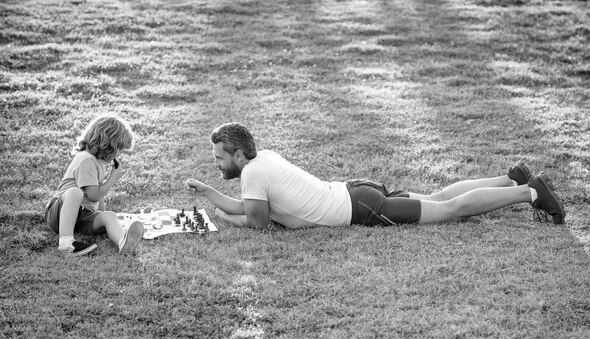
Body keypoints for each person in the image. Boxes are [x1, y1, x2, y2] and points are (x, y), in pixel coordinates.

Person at [185, 122, 565, 229]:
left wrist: (227, 218)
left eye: (220, 158)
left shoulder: (252, 174)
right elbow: (250, 206)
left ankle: (529, 193)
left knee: (450, 210)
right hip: (355, 189)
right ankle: (510, 178)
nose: (218, 165)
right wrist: (208, 193)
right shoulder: (262, 158)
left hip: (362, 208)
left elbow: (256, 220)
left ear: (238, 154)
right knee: (435, 196)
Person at [45, 113, 144, 256]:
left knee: (109, 215)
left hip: (81, 217)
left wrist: (102, 217)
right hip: (58, 215)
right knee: (75, 192)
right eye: (119, 150)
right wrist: (112, 179)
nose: (118, 155)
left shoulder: (99, 163)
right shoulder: (86, 160)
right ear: (108, 145)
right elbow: (93, 195)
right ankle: (66, 243)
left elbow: (98, 195)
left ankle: (123, 242)